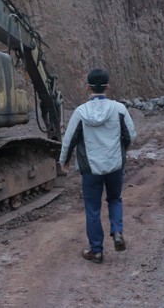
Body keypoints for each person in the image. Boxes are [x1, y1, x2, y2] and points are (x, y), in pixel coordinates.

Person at [59, 68, 136, 264]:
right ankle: (117, 232)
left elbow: (69, 141)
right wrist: (119, 151)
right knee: (115, 199)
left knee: (92, 209)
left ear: (88, 88)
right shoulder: (119, 109)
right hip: (114, 166)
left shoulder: (80, 112)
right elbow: (130, 136)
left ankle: (96, 251)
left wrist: (64, 162)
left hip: (91, 170)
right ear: (107, 87)